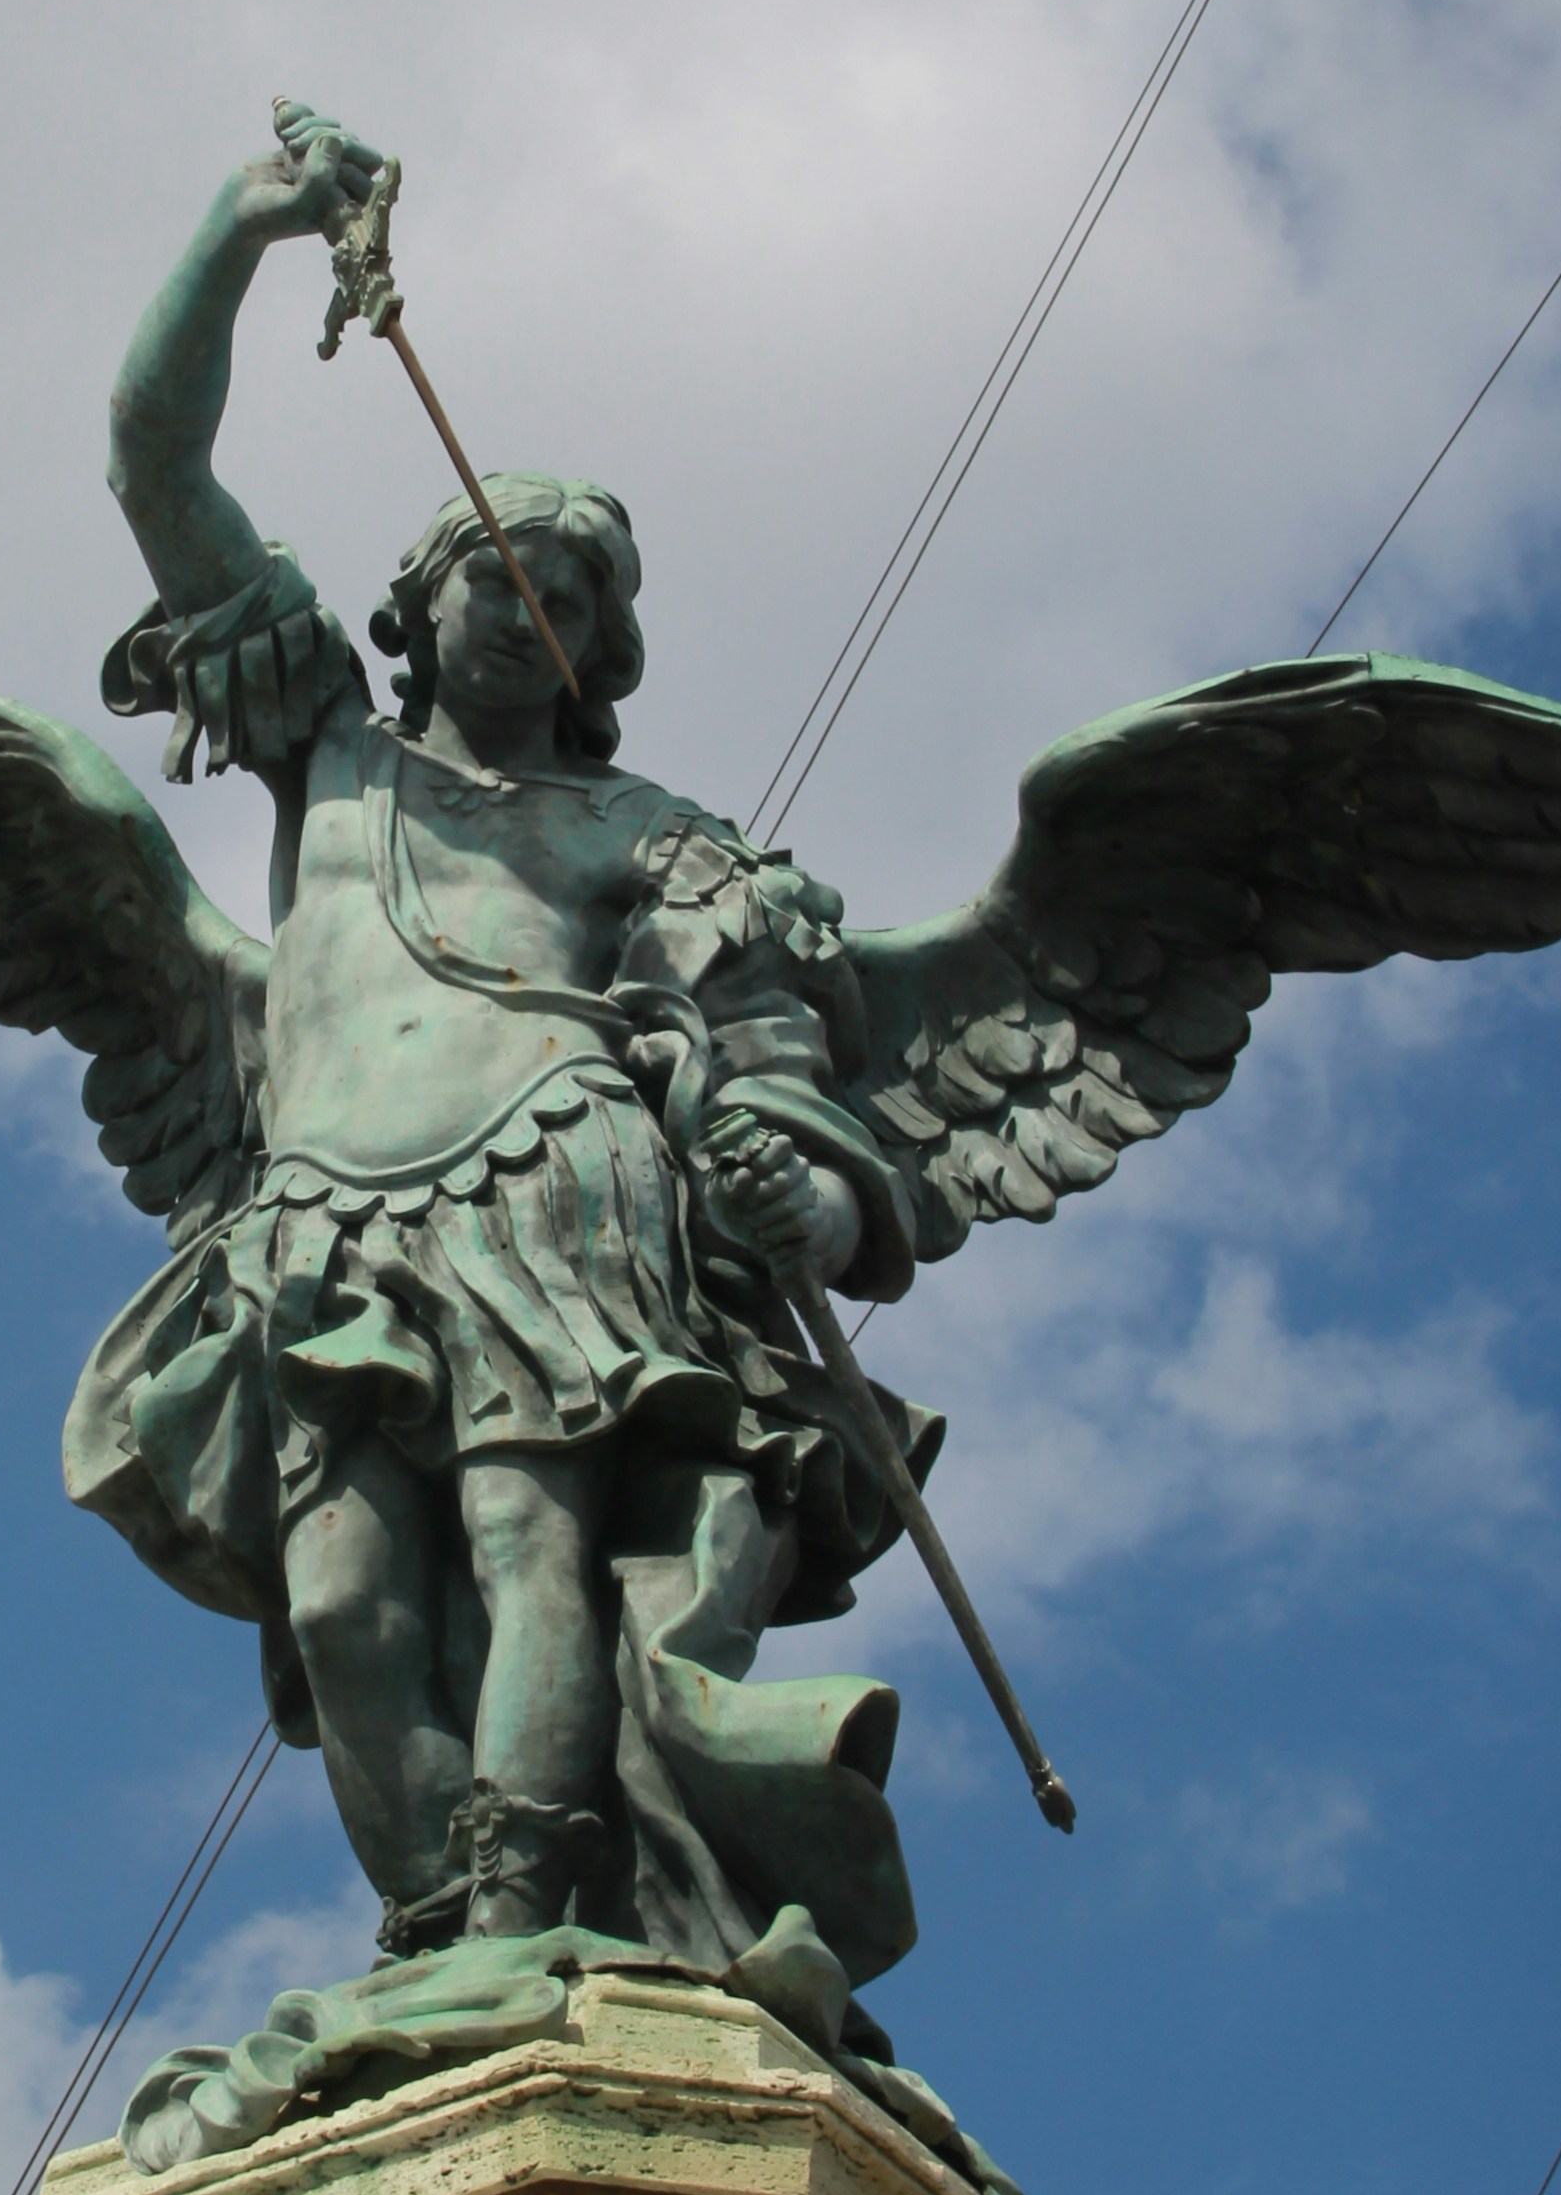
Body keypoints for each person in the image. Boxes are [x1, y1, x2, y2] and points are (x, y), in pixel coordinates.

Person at [61, 114, 928, 1994]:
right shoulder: (328, 750)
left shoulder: (656, 843)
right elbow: (152, 458)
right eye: (511, 568)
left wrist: (802, 1183)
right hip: (323, 1227)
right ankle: (442, 1924)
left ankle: (521, 1917)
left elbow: (783, 1065)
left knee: (540, 1556)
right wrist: (238, 228)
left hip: (558, 1196)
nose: (549, 607)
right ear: (422, 595)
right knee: (349, 1607)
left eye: (590, 590)